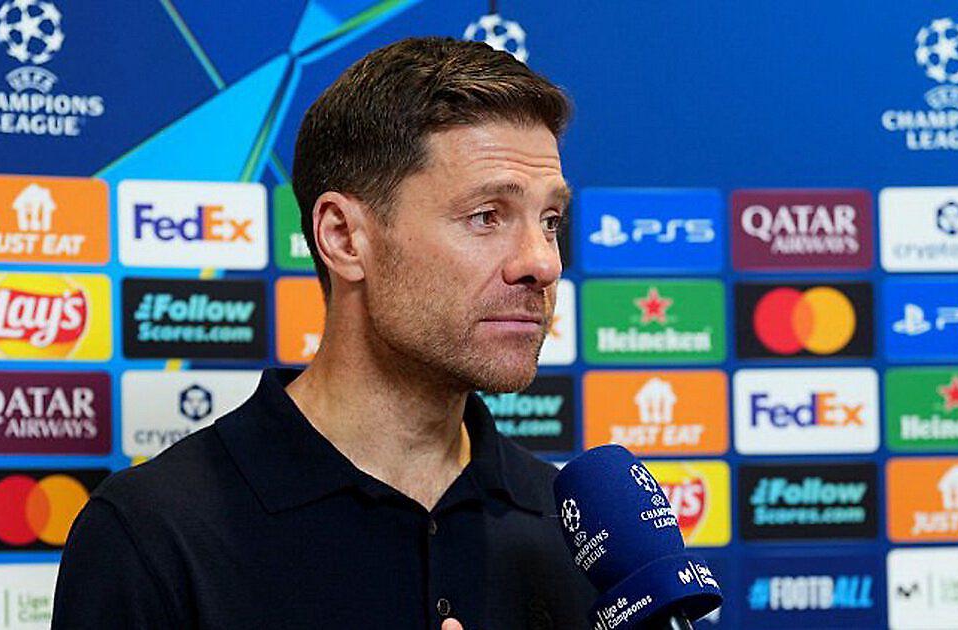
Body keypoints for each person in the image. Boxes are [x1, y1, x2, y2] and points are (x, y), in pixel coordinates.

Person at [52, 36, 595, 629]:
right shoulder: (152, 535)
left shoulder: (578, 534)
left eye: (550, 221)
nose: (542, 262)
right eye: (486, 216)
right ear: (342, 237)